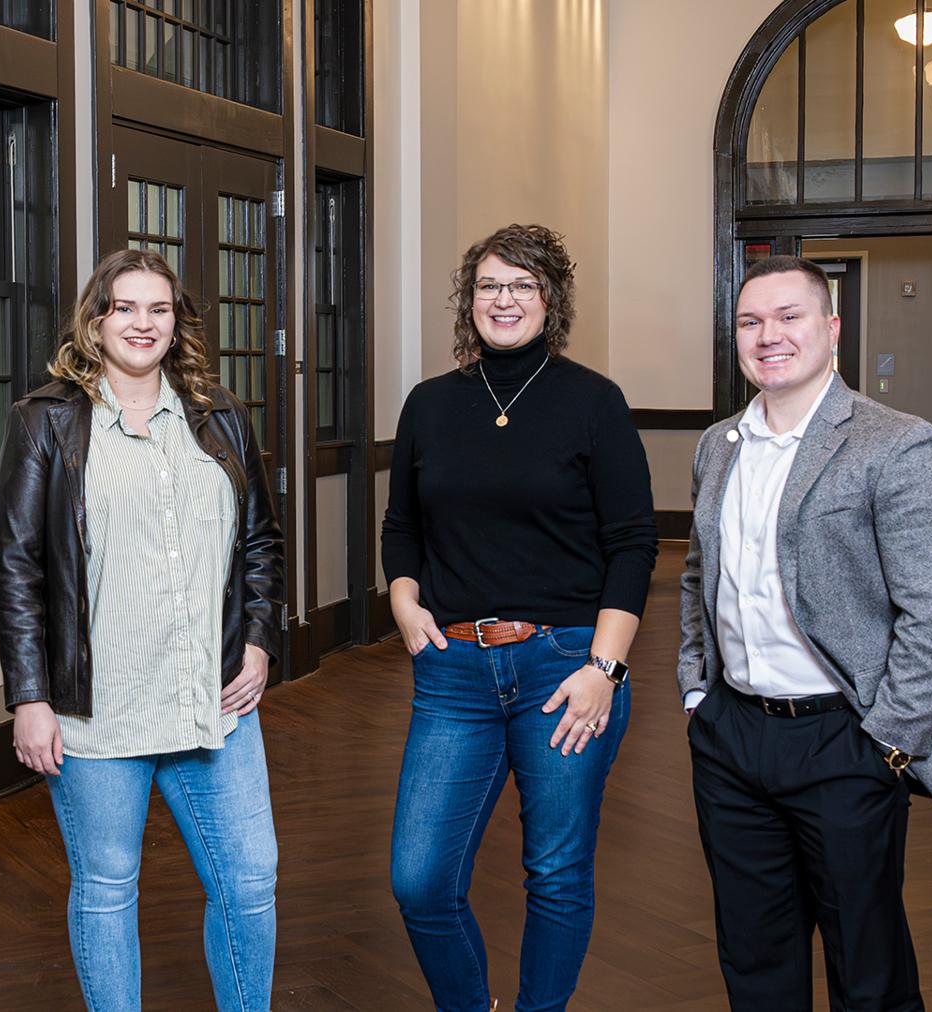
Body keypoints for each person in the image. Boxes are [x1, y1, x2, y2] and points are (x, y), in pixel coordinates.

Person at [678, 255, 932, 1010]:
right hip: (732, 739)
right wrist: (696, 693)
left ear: (832, 329)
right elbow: (696, 575)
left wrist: (889, 741)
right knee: (753, 960)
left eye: (789, 317)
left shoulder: (896, 443)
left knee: (867, 966)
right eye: (751, 321)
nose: (768, 335)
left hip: (845, 741)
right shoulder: (718, 445)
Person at [0, 248, 285, 1012]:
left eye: (158, 309)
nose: (141, 323)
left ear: (176, 322)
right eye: (124, 307)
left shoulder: (219, 415)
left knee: (250, 881)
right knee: (106, 890)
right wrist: (29, 697)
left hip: (211, 702)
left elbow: (261, 540)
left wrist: (257, 638)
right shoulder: (47, 422)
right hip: (98, 711)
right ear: (96, 319)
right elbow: (18, 570)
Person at [381, 223, 658, 1011]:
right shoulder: (431, 405)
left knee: (558, 872)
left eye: (522, 285)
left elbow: (633, 544)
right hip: (454, 671)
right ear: (469, 303)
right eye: (489, 286)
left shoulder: (593, 403)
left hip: (564, 667)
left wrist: (604, 670)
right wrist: (404, 600)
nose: (504, 300)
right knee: (420, 878)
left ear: (551, 300)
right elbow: (402, 526)